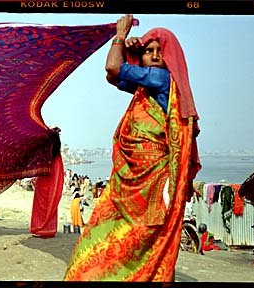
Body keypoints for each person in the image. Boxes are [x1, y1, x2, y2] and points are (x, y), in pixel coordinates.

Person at [64, 14, 201, 281]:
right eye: (149, 51)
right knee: (121, 230)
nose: (154, 56)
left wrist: (120, 36)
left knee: (142, 233)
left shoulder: (161, 79)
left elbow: (114, 68)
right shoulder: (147, 88)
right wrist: (129, 51)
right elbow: (113, 77)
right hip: (131, 176)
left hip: (151, 178)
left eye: (159, 51)